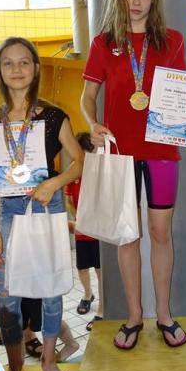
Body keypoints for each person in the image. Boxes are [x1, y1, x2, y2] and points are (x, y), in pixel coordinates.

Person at [81, 0, 186, 350]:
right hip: (120, 153)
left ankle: (164, 314)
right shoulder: (103, 43)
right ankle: (134, 316)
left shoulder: (172, 40)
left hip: (161, 151)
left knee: (160, 232)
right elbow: (87, 96)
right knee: (127, 235)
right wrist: (92, 122)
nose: (136, 1)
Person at [0, 36, 83, 371]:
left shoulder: (53, 117)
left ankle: (49, 361)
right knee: (8, 296)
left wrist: (54, 182)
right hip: (9, 213)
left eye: (24, 62)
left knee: (51, 290)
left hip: (47, 209)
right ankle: (14, 368)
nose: (17, 69)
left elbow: (79, 161)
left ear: (36, 69)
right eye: (8, 63)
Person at [65, 131, 103, 324]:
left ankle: (103, 305)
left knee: (99, 268)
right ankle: (88, 294)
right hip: (82, 228)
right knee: (82, 267)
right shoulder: (73, 170)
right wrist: (79, 218)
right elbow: (69, 200)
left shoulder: (99, 171)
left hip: (98, 229)